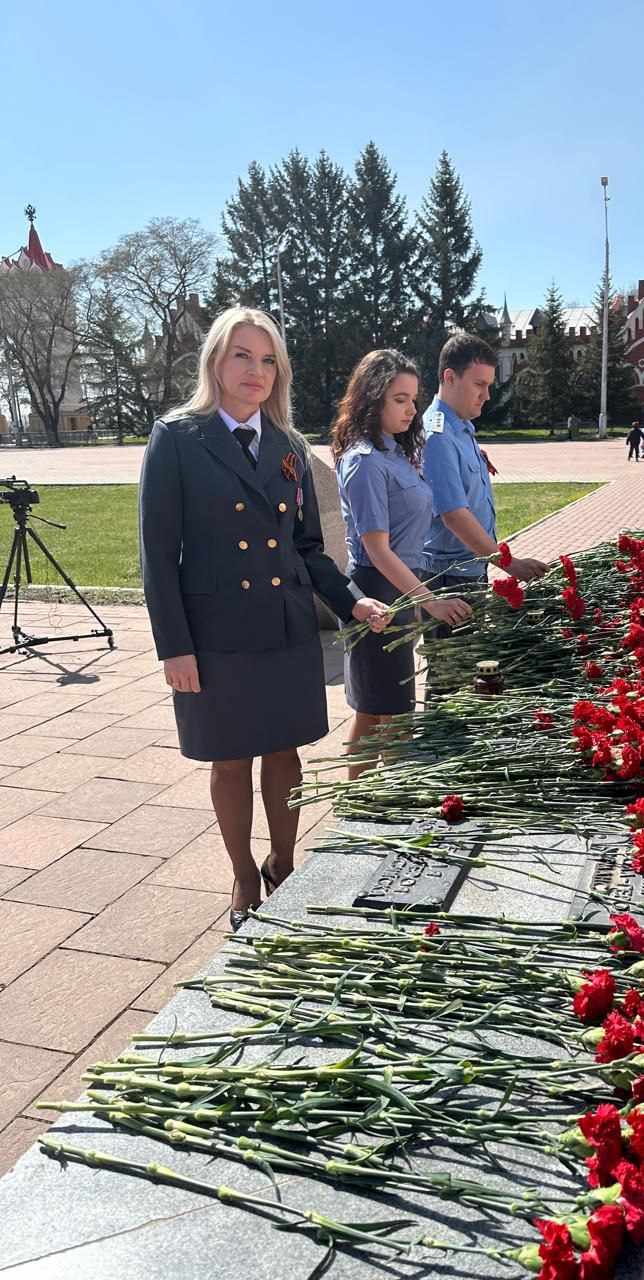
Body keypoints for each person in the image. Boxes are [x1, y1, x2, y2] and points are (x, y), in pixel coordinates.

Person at [138, 307, 391, 932]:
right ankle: (244, 873)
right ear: (216, 363)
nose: (255, 371)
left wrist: (351, 599)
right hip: (214, 634)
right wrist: (175, 647)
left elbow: (308, 547)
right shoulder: (178, 437)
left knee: (285, 753)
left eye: (268, 359)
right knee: (230, 761)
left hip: (284, 629)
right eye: (241, 356)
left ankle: (283, 857)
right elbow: (158, 554)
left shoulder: (288, 446)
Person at [332, 350, 473, 778]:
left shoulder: (394, 454)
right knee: (381, 712)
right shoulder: (365, 462)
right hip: (377, 590)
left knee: (387, 711)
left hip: (399, 587)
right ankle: (361, 807)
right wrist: (430, 602)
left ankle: (371, 803)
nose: (412, 409)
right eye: (400, 399)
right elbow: (377, 550)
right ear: (372, 399)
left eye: (413, 398)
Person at [422, 331, 547, 598]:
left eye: (489, 385)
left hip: (468, 567)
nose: (486, 395)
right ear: (450, 377)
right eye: (479, 384)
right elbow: (454, 515)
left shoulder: (461, 426)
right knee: (455, 642)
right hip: (450, 576)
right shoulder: (438, 437)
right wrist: (509, 563)